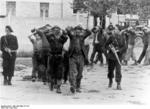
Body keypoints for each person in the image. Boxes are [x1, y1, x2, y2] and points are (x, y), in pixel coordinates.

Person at [66, 25, 91, 93]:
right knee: (73, 72)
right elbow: (68, 32)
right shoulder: (72, 37)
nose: (77, 31)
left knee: (80, 73)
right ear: (74, 31)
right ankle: (73, 86)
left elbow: (89, 32)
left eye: (79, 30)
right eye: (76, 30)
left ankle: (78, 86)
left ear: (81, 31)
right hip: (73, 57)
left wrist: (84, 28)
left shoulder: (82, 37)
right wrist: (69, 29)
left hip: (81, 57)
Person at [46, 26, 68, 93]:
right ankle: (52, 83)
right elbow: (47, 35)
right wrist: (51, 30)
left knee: (59, 72)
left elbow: (66, 36)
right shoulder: (51, 38)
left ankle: (58, 87)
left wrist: (63, 31)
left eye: (57, 30)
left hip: (59, 57)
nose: (56, 31)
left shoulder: (62, 39)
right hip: (52, 56)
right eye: (55, 30)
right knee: (51, 71)